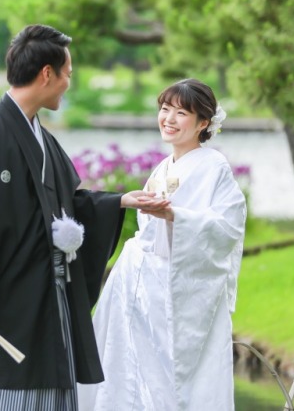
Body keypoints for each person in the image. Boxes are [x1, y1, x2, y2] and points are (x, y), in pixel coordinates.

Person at [0, 24, 165, 410]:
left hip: (46, 291)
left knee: (49, 384)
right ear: (47, 73)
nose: (68, 84)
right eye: (68, 75)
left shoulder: (43, 138)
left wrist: (120, 201)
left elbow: (66, 206)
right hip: (5, 293)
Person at [77, 78, 247, 411]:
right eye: (165, 109)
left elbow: (226, 228)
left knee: (170, 377)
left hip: (178, 290)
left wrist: (176, 216)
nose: (168, 119)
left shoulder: (215, 168)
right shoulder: (162, 167)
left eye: (181, 112)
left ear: (203, 123)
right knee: (126, 367)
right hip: (140, 284)